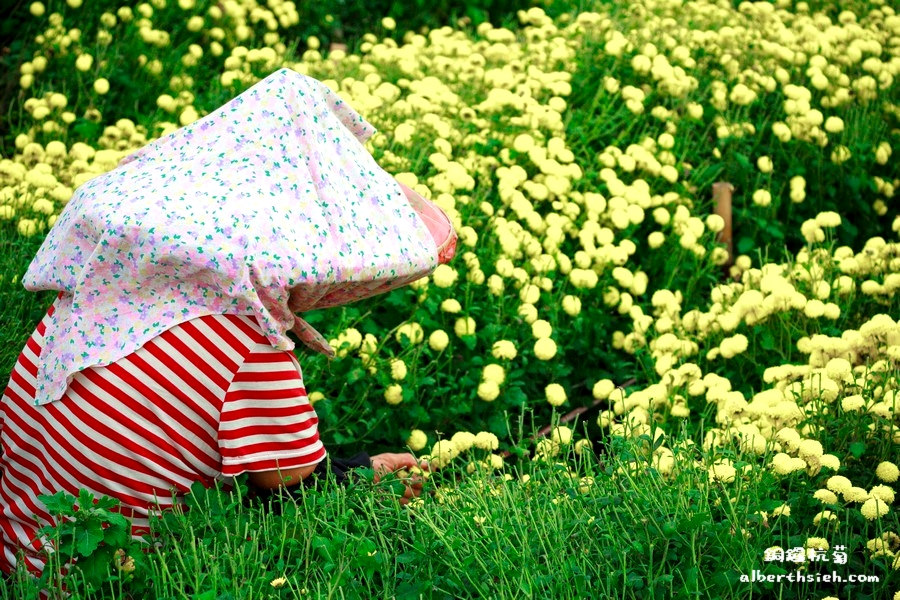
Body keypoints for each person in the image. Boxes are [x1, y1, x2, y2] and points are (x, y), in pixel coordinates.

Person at [0, 68, 457, 577]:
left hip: (15, 556)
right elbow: (297, 493)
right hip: (95, 583)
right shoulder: (248, 352)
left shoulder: (107, 288)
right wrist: (371, 474)